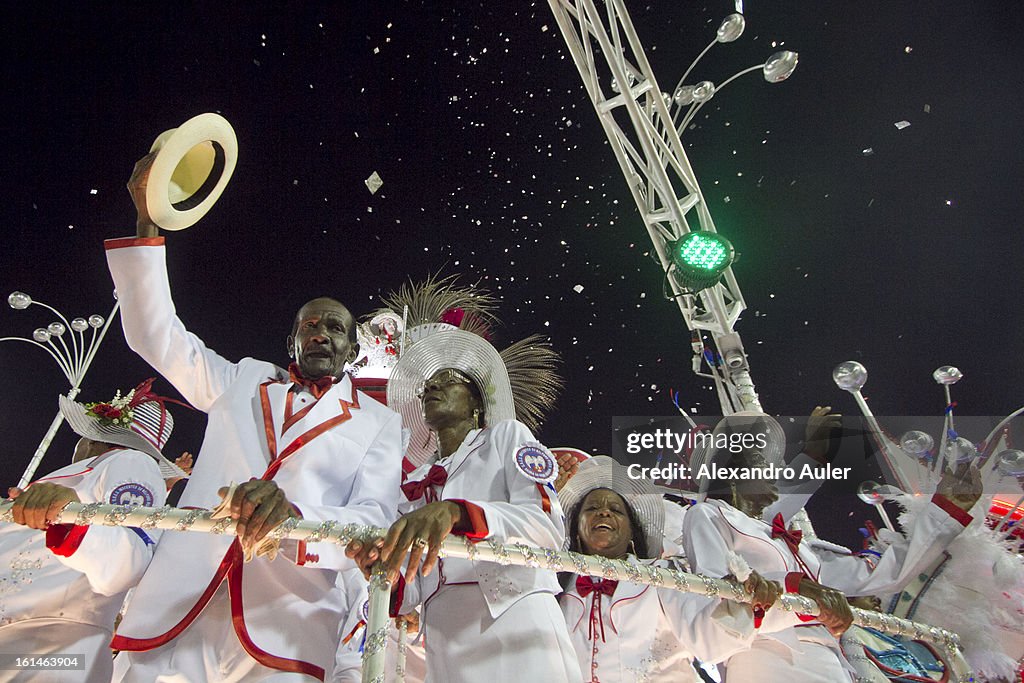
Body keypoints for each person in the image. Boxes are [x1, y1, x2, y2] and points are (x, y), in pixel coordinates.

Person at [104, 154, 403, 682]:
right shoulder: (241, 379)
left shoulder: (379, 423)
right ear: (291, 340)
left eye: (334, 327)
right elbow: (158, 338)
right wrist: (147, 222)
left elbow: (374, 519)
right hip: (180, 602)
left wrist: (293, 516)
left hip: (287, 621)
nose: (320, 334)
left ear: (352, 347)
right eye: (309, 325)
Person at [347, 327, 581, 682]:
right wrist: (383, 568)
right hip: (444, 640)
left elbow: (546, 527)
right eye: (428, 384)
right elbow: (410, 592)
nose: (432, 387)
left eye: (448, 380)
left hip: (516, 623)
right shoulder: (412, 484)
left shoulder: (507, 436)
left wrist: (458, 513)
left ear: (476, 402)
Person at [684, 412, 983, 682]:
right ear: (732, 475)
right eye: (762, 464)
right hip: (767, 656)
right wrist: (812, 458)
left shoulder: (796, 549)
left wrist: (945, 511)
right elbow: (716, 596)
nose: (775, 471)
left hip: (830, 659)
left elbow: (885, 574)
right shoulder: (708, 515)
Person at [0, 381, 184, 683]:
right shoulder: (88, 473)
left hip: (53, 648)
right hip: (25, 641)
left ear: (93, 437)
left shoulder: (131, 461)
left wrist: (71, 523)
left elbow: (127, 559)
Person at [557, 456, 785, 683]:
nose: (604, 512)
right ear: (577, 529)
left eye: (616, 510)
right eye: (592, 508)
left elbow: (707, 640)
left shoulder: (663, 574)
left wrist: (737, 600)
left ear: (631, 533)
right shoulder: (558, 586)